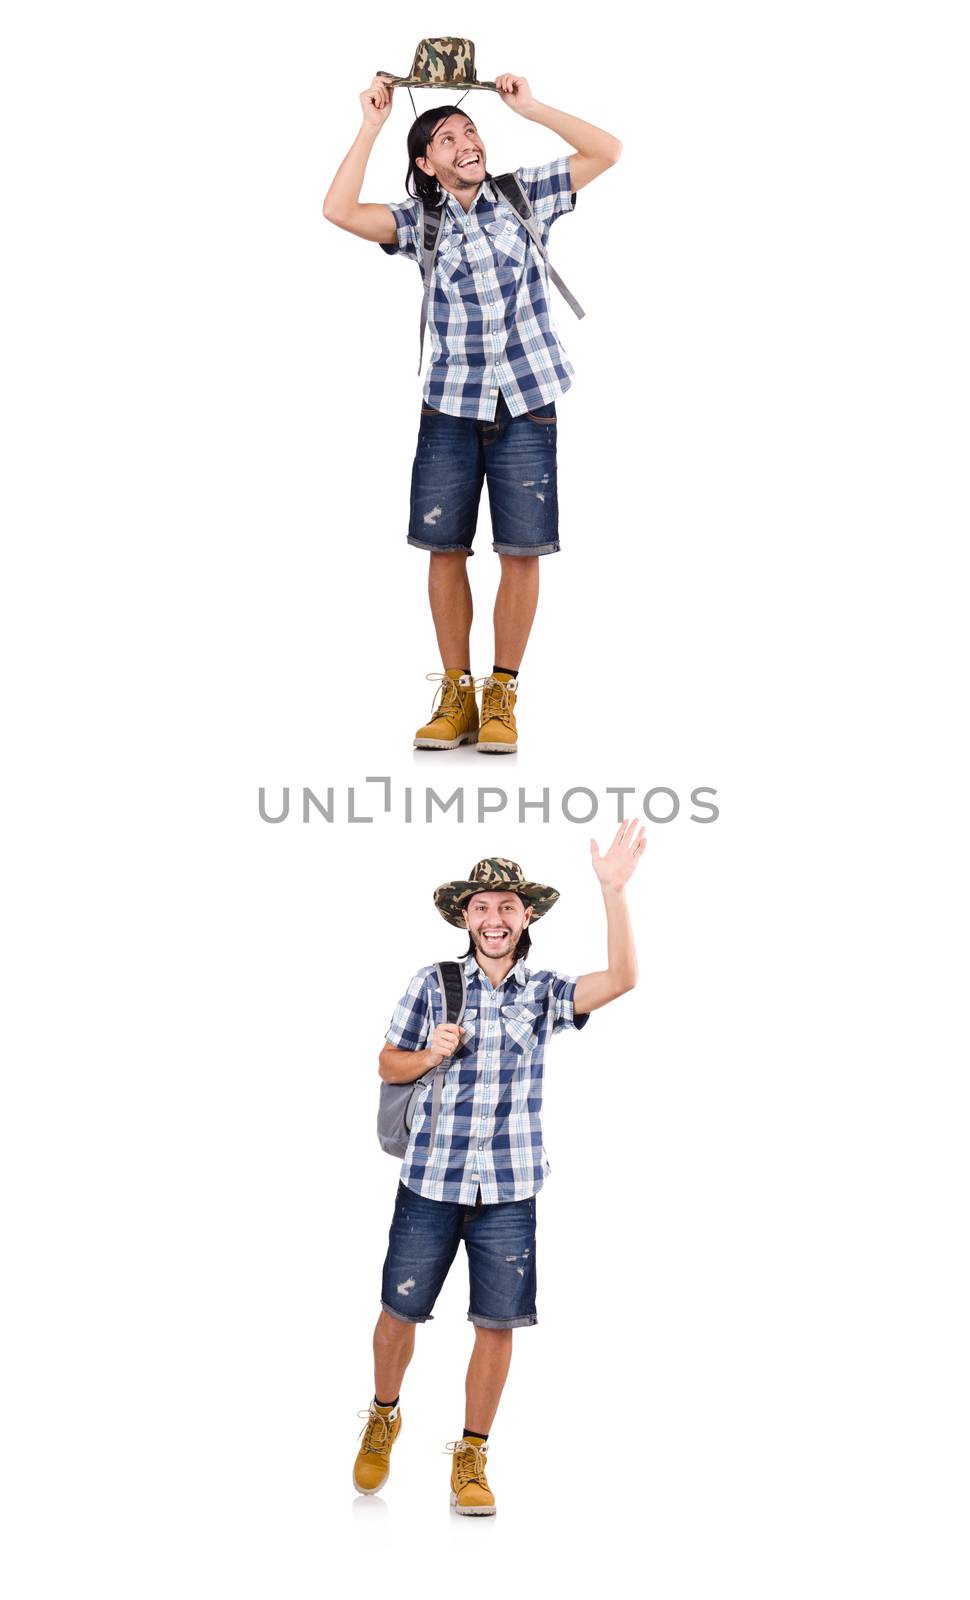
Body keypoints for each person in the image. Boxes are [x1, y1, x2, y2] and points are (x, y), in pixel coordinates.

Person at [323, 73, 622, 753]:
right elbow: (338, 210)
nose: (466, 143)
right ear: (425, 163)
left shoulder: (522, 195)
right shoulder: (417, 221)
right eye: (446, 138)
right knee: (444, 548)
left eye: (471, 130)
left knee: (521, 551)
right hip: (450, 408)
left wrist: (531, 107)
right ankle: (456, 694)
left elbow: (607, 150)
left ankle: (502, 697)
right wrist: (371, 125)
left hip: (526, 401)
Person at [353, 823, 646, 1514]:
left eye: (507, 907)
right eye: (482, 907)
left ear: (527, 917)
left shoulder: (542, 992)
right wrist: (431, 1054)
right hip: (429, 1182)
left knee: (496, 1323)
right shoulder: (434, 983)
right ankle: (383, 1414)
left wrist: (614, 892)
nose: (494, 918)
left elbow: (624, 979)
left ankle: (472, 1453)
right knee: (399, 1313)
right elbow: (386, 1063)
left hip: (510, 1189)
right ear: (465, 916)